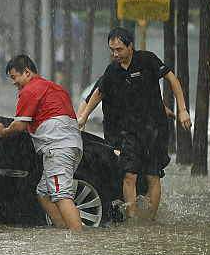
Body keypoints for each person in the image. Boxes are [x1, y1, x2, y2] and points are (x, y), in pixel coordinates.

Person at [76, 27, 192, 220]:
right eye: (112, 50)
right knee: (129, 174)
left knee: (153, 176)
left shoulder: (147, 60)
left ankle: (151, 220)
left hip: (156, 129)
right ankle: (132, 219)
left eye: (119, 49)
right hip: (129, 131)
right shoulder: (112, 71)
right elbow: (97, 94)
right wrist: (83, 117)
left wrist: (182, 110)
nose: (115, 54)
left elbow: (172, 79)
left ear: (130, 46)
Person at [0, 55, 84, 231]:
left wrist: (2, 131)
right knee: (44, 193)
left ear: (27, 72)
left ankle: (77, 243)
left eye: (15, 77)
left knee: (61, 195)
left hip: (57, 148)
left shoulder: (30, 90)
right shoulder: (54, 88)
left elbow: (19, 126)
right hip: (73, 146)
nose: (13, 83)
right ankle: (62, 232)